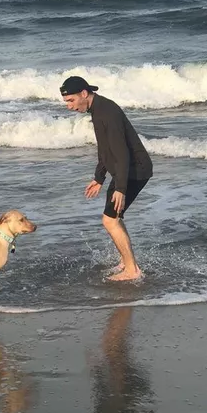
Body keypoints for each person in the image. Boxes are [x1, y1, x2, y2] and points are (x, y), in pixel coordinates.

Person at [60, 76, 152, 281]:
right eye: (66, 102)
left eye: (71, 100)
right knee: (114, 218)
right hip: (125, 170)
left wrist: (120, 187)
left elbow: (120, 153)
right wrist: (99, 177)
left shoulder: (107, 113)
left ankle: (132, 270)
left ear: (84, 93)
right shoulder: (98, 109)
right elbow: (105, 148)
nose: (69, 106)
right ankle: (126, 262)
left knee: (110, 220)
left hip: (134, 170)